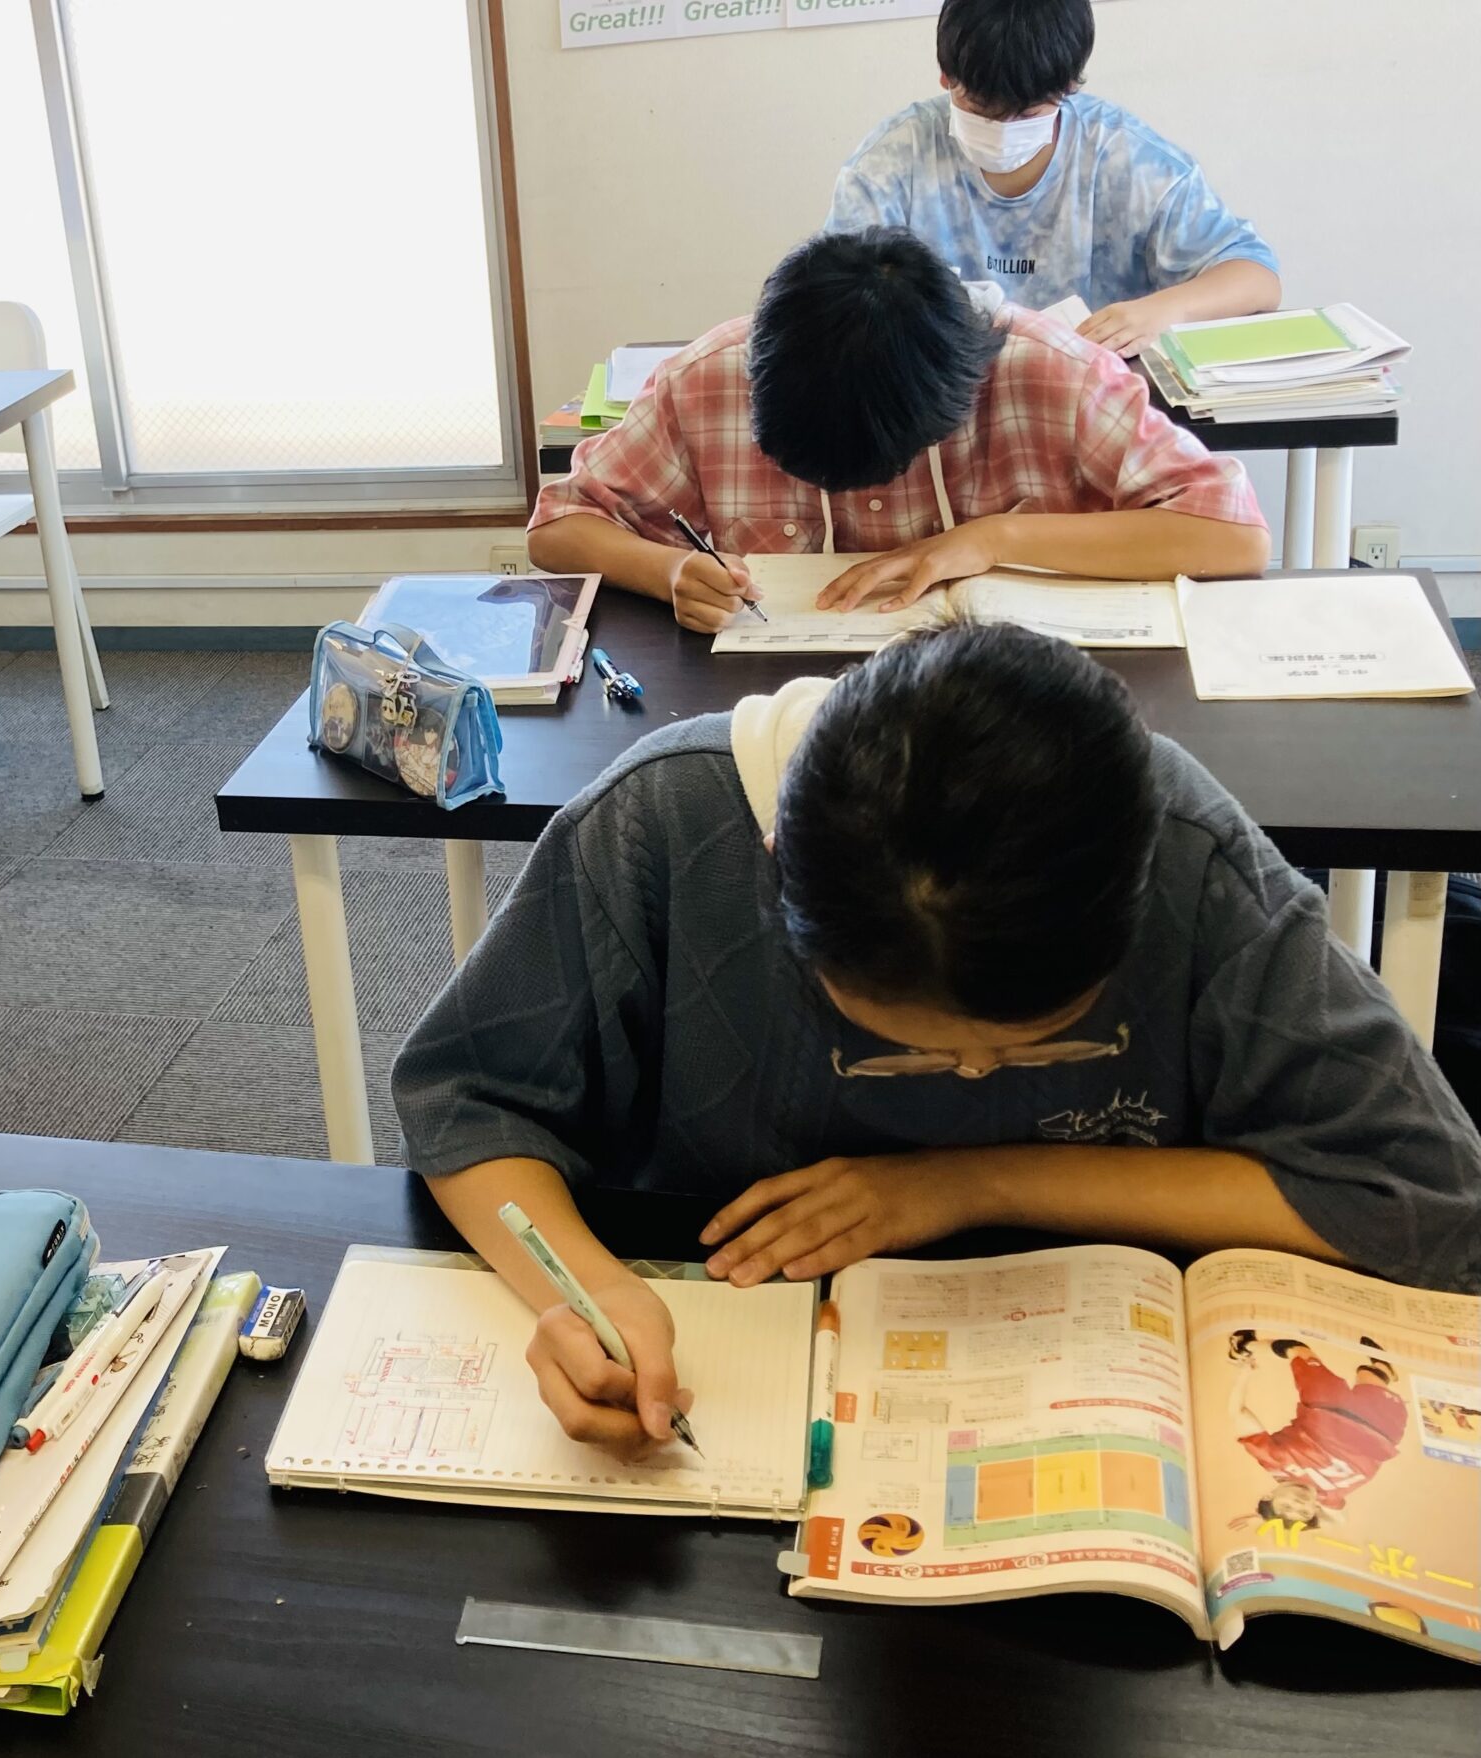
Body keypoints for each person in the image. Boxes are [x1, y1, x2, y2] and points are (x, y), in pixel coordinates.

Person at [390, 622, 1481, 1463]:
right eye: (907, 1049)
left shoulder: (1185, 857)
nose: (970, 1077)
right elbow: (471, 1102)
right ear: (777, 873)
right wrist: (587, 1291)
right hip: (747, 1354)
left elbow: (1422, 1195)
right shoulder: (662, 824)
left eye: (1025, 1049)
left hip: (1096, 1369)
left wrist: (971, 1180)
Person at [526, 230, 1272, 636]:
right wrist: (669, 572)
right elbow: (559, 526)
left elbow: (1233, 536)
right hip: (786, 711)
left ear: (957, 396)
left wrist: (994, 539)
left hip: (1014, 716)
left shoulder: (1050, 371)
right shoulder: (709, 378)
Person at [823, 0, 1279, 357]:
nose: (1003, 128)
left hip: (1096, 406)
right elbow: (834, 304)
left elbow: (1256, 278)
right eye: (982, 109)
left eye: (1027, 115)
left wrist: (1160, 311)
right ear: (946, 76)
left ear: (1070, 86)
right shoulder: (891, 164)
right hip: (942, 413)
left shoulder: (1127, 160)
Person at [1225, 1331, 1407, 1528]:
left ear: (1269, 1496)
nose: (1298, 1504)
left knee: (1298, 1350)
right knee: (1373, 1374)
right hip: (1382, 1430)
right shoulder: (1329, 1498)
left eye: (1286, 1506)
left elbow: (1238, 1412)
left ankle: (1244, 1346)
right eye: (1304, 1512)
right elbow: (1338, 1521)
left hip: (1325, 1406)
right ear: (1314, 1510)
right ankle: (1381, 1369)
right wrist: (1271, 1520)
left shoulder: (1274, 1460)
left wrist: (1244, 1374)